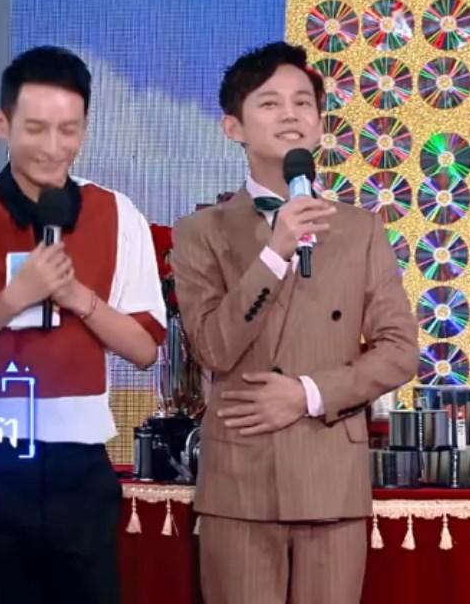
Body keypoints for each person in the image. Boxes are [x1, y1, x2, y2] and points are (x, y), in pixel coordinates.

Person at [0, 45, 167, 604]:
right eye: (35, 129)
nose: (53, 147)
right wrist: (15, 298)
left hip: (81, 468)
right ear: (2, 124)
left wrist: (77, 297)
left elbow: (145, 348)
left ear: (84, 130)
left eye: (68, 130)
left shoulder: (117, 214)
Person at [171, 41, 418, 603]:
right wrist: (275, 251)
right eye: (269, 103)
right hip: (240, 482)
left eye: (303, 103)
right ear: (233, 127)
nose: (290, 115)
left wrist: (307, 394)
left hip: (330, 475)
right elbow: (212, 347)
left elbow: (399, 349)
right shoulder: (200, 232)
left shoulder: (360, 231)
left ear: (320, 125)